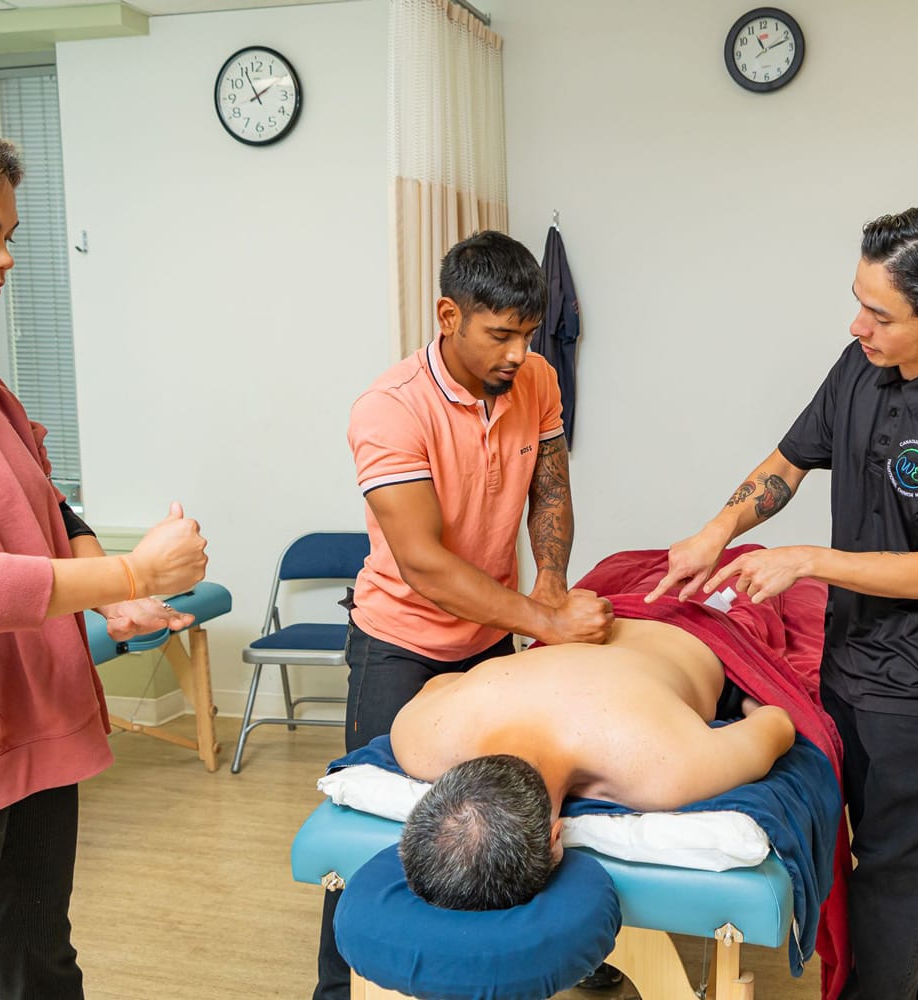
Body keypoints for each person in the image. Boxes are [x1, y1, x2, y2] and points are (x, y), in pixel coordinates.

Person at [647, 207, 918, 1000]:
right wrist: (717, 530)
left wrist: (806, 562)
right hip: (849, 659)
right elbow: (790, 461)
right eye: (858, 299)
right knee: (909, 861)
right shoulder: (862, 364)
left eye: (880, 312)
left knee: (894, 879)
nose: (857, 323)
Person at [0, 110, 209, 1000]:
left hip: (28, 729)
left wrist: (110, 598)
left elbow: (45, 504)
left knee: (40, 959)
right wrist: (136, 572)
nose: (6, 260)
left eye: (9, 237)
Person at [316, 230, 615, 996]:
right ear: (448, 315)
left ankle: (495, 969)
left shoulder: (537, 379)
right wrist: (546, 621)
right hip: (400, 643)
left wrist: (549, 581)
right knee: (377, 823)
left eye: (527, 334)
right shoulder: (389, 410)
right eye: (500, 335)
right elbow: (423, 562)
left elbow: (550, 487)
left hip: (491, 636)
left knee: (491, 821)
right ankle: (336, 985)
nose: (518, 353)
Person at [391, 616, 797, 910]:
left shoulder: (661, 768)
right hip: (591, 614)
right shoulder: (421, 738)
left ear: (555, 839)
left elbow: (778, 723)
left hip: (695, 620)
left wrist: (746, 702)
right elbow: (440, 684)